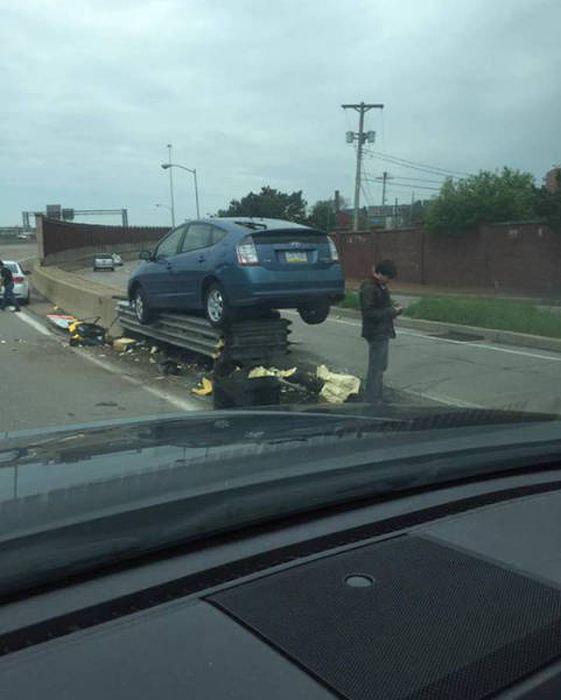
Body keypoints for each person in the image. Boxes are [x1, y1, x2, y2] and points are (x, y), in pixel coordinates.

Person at [360, 259, 402, 403]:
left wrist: (393, 307)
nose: (389, 281)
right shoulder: (369, 288)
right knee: (377, 367)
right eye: (387, 277)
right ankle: (373, 397)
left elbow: (382, 304)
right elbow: (369, 312)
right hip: (375, 331)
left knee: (380, 365)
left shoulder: (380, 286)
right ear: (379, 274)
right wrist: (392, 311)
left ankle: (376, 394)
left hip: (382, 330)